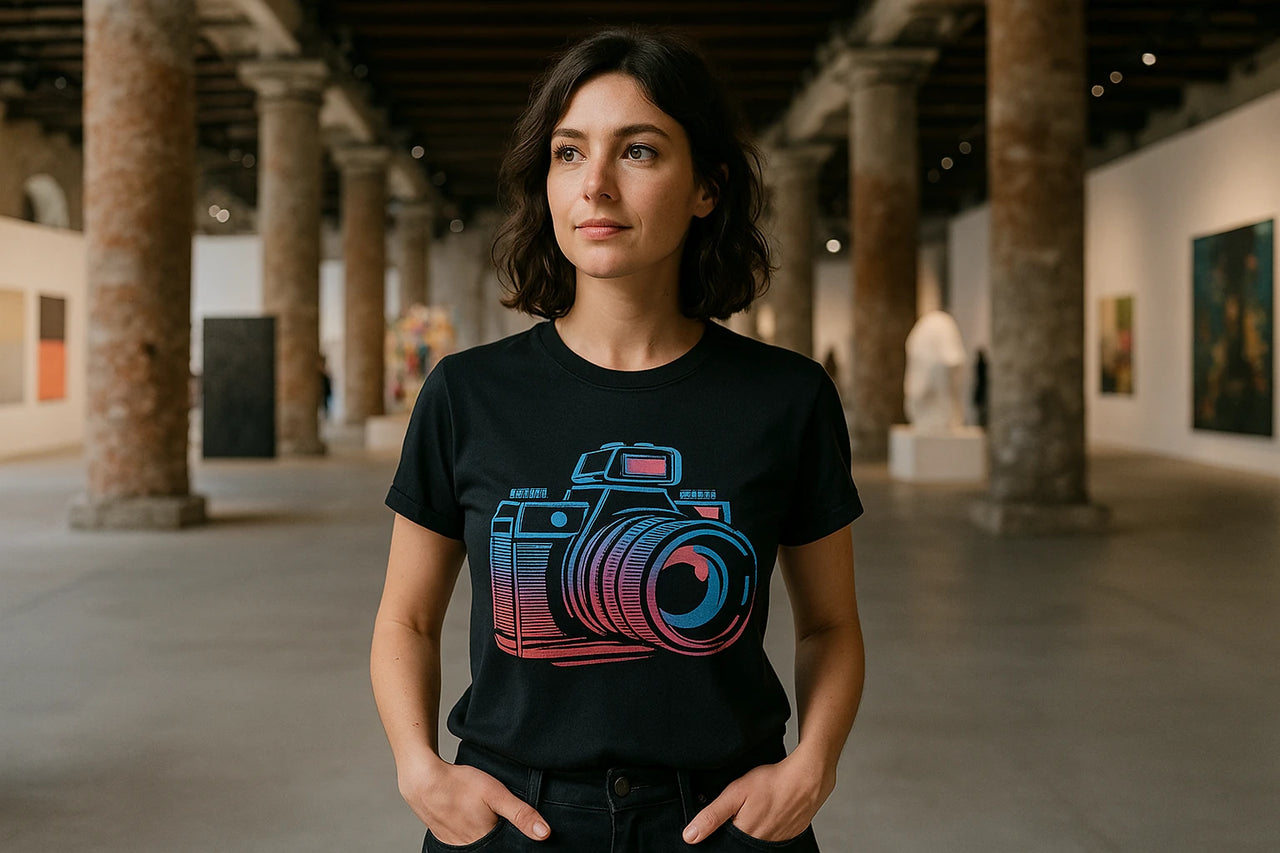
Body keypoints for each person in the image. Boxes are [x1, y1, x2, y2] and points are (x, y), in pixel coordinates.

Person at [371, 27, 865, 852]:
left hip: (726, 815)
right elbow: (407, 619)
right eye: (569, 154)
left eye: (637, 152)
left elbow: (830, 626)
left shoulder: (786, 397)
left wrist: (813, 763)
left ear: (706, 187)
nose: (594, 184)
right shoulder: (469, 392)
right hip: (514, 811)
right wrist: (419, 766)